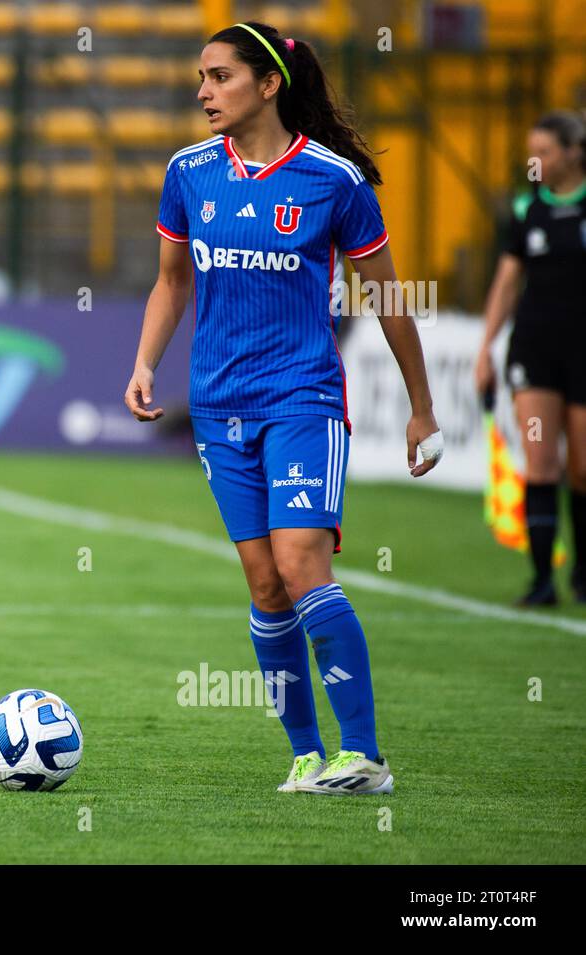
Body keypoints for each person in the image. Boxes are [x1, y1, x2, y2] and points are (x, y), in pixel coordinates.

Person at [124, 22, 442, 796]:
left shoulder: (334, 181)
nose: (203, 91)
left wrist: (422, 407)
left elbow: (387, 295)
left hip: (302, 399)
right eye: (200, 77)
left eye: (220, 76)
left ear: (269, 85)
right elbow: (173, 281)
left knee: (303, 563)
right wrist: (143, 361)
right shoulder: (189, 172)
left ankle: (363, 754)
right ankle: (306, 755)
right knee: (266, 585)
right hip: (218, 407)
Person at [475, 111, 586, 606]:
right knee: (540, 463)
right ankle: (542, 579)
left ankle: (582, 574)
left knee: (582, 469)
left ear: (572, 151)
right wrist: (486, 348)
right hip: (534, 351)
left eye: (544, 150)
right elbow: (505, 281)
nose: (534, 160)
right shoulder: (526, 209)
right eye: (531, 150)